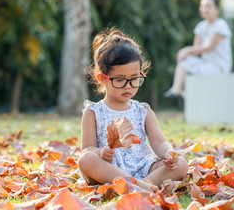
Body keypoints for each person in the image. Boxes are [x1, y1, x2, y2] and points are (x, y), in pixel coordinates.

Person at [78, 29, 188, 191]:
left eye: (134, 79)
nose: (128, 85)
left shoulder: (143, 111)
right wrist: (101, 152)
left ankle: (137, 187)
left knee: (181, 164)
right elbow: (87, 148)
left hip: (144, 169)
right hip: (110, 172)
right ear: (102, 78)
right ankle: (140, 187)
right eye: (120, 80)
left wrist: (169, 153)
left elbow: (159, 142)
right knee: (85, 160)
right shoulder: (93, 112)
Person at [164, 0, 232, 98]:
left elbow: (210, 47)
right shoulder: (201, 26)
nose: (205, 9)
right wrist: (185, 54)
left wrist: (186, 50)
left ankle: (180, 91)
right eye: (203, 6)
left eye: (209, 6)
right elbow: (196, 51)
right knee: (185, 62)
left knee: (188, 65)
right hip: (205, 64)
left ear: (217, 9)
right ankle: (177, 90)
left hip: (218, 67)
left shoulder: (220, 25)